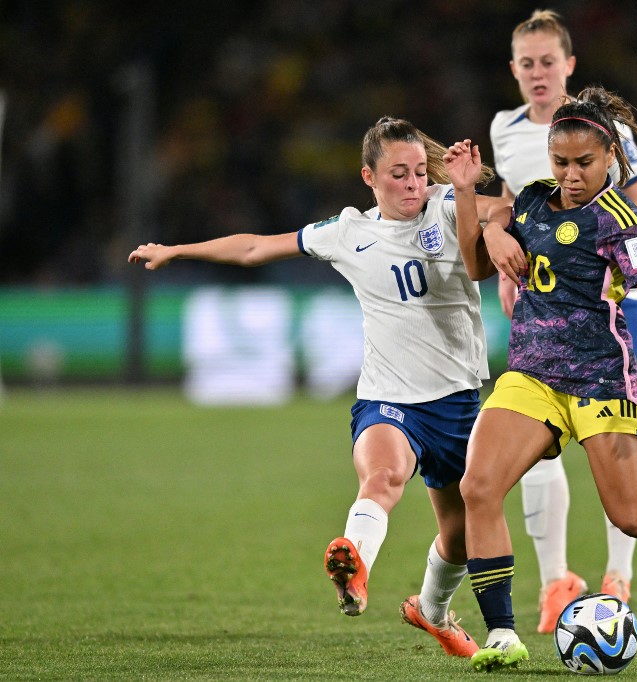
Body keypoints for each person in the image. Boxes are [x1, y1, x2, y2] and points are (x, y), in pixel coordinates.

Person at [128, 117, 513, 659]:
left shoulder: (449, 205)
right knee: (382, 477)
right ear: (368, 177)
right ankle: (354, 563)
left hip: (456, 399)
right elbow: (256, 248)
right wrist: (177, 250)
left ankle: (432, 611)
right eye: (397, 174)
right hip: (388, 397)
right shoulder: (348, 232)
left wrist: (485, 212)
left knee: (458, 534)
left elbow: (506, 211)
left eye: (419, 173)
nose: (411, 184)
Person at [445, 87, 637, 672]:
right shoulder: (531, 203)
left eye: (583, 163)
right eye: (561, 162)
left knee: (632, 516)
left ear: (610, 155)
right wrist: (475, 208)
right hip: (531, 376)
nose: (571, 174)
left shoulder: (620, 221)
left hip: (602, 381)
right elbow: (475, 266)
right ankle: (503, 633)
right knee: (478, 487)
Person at [488, 8, 637, 633]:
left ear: (570, 65)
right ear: (514, 69)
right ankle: (556, 581)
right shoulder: (503, 130)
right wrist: (508, 261)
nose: (538, 73)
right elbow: (511, 209)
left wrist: (604, 261)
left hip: (609, 302)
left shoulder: (604, 129)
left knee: (611, 445)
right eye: (527, 63)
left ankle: (619, 576)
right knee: (536, 449)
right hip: (540, 303)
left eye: (548, 62)